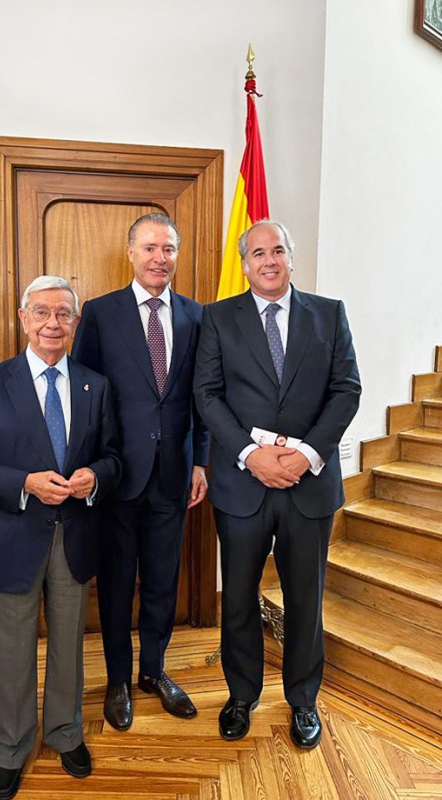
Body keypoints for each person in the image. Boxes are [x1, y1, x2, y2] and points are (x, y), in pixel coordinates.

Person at [0, 276, 121, 800]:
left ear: (74, 323)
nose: (53, 323)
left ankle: (66, 732)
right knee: (12, 649)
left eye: (63, 314)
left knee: (69, 644)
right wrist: (24, 483)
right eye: (42, 313)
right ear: (23, 318)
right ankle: (10, 748)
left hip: (74, 538)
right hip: (12, 540)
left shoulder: (96, 385)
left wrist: (96, 476)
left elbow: (114, 458)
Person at [193, 220, 361, 749]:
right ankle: (241, 696)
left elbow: (347, 390)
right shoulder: (218, 318)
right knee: (239, 597)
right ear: (244, 264)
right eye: (258, 252)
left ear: (291, 257)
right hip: (243, 486)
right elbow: (208, 395)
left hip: (308, 486)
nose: (269, 260)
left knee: (305, 599)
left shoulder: (328, 314)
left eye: (278, 250)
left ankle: (304, 699)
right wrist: (250, 454)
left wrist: (307, 454)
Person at [72, 212, 209, 731]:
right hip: (116, 476)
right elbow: (86, 397)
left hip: (174, 474)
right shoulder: (101, 313)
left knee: (160, 582)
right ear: (130, 253)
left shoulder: (198, 316)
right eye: (150, 248)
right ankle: (118, 681)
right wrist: (90, 468)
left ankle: (154, 671)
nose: (160, 258)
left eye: (169, 249)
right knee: (114, 584)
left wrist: (201, 460)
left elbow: (202, 398)